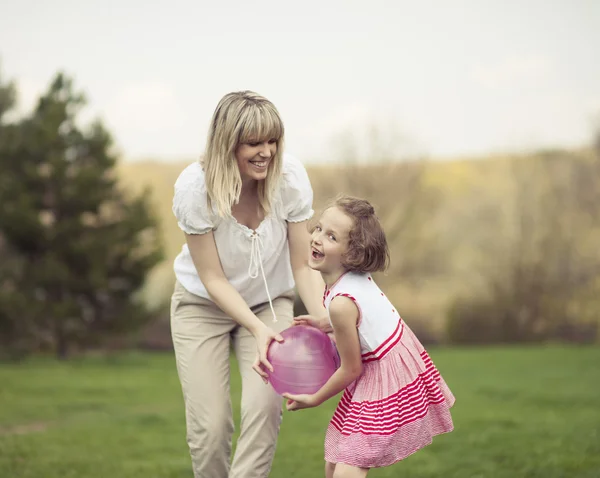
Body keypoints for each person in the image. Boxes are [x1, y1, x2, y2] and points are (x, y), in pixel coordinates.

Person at [170, 90, 327, 478]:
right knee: (211, 427)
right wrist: (256, 331)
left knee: (264, 411)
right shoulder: (195, 189)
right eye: (254, 143)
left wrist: (325, 318)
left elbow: (303, 265)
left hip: (269, 303)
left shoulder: (289, 180)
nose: (267, 152)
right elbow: (212, 277)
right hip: (201, 306)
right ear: (227, 144)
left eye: (272, 140)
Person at [284, 195, 455, 478]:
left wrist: (314, 398)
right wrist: (324, 323)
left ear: (352, 254)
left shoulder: (341, 303)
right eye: (318, 229)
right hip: (387, 364)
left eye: (331, 236)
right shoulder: (351, 282)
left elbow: (351, 368)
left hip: (385, 380)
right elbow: (365, 319)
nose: (316, 238)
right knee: (334, 461)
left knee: (347, 467)